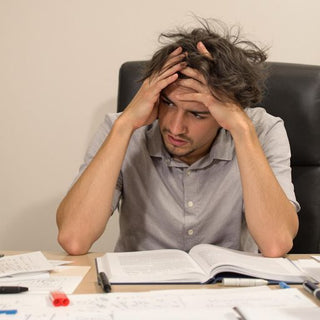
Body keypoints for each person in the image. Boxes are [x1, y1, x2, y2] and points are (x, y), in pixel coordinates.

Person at [56, 19, 299, 257]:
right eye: (168, 103)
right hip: (138, 290)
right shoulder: (122, 128)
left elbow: (276, 243)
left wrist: (242, 132)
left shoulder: (261, 130)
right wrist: (124, 125)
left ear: (225, 113)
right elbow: (74, 239)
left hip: (227, 290)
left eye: (197, 114)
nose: (175, 127)